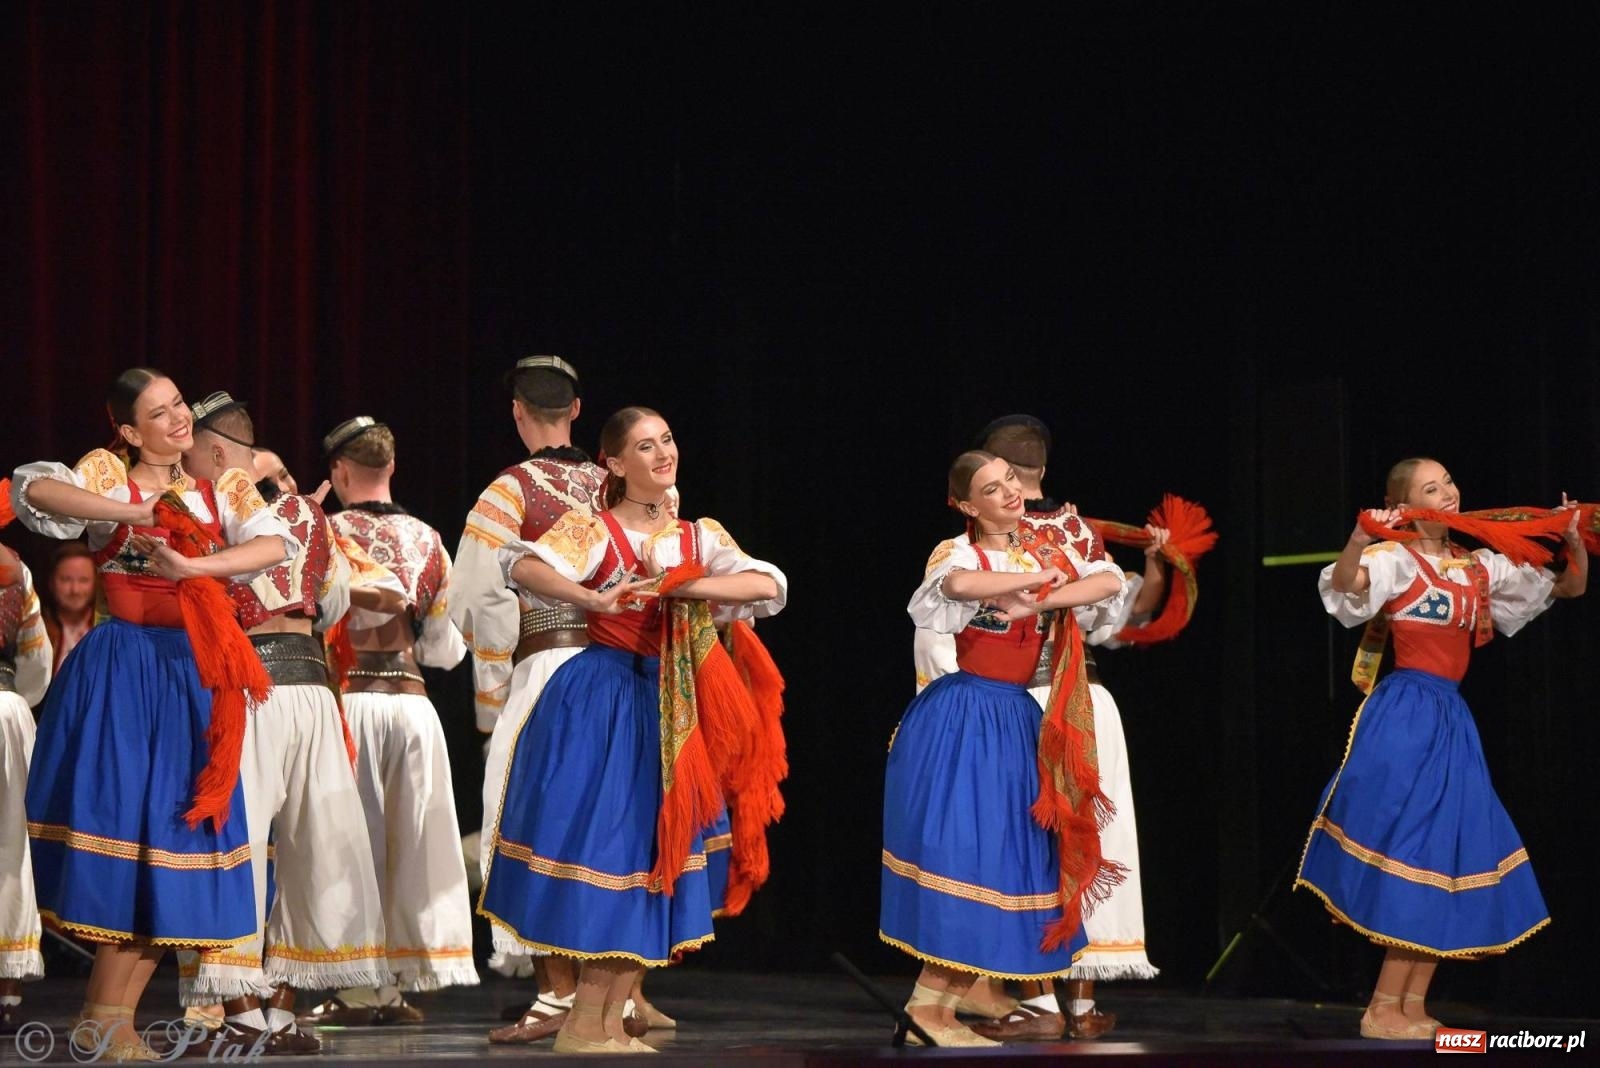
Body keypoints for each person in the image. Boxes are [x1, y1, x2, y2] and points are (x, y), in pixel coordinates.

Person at [479, 406, 786, 1054]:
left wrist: (685, 586)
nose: (662, 453)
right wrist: (590, 598)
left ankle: (609, 1020)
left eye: (668, 440)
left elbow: (768, 583)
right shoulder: (596, 531)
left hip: (669, 706)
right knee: (615, 855)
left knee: (655, 860)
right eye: (645, 446)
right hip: (604, 700)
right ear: (614, 464)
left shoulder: (696, 536)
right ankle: (586, 1021)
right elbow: (520, 565)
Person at [10, 367, 294, 1060]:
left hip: (192, 677)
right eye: (159, 414)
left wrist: (195, 570)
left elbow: (273, 544)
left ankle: (106, 1019)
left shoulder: (218, 485)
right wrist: (135, 513)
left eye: (179, 407)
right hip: (124, 672)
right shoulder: (110, 472)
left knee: (173, 843)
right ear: (130, 431)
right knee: (124, 835)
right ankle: (105, 1019)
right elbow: (33, 489)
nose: (177, 421)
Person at [1298, 458, 1587, 1039]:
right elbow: (1347, 588)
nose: (1449, 492)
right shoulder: (1396, 560)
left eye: (1450, 481)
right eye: (1432, 488)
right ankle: (1381, 1007)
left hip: (1451, 720)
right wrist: (1360, 538)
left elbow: (1567, 586)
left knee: (1453, 854)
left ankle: (1410, 1004)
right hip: (1405, 717)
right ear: (1405, 505)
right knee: (1421, 850)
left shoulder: (1479, 567)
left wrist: (1573, 541)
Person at [175, 392, 397, 1053]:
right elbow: (332, 607)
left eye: (191, 451)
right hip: (307, 686)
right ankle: (269, 1006)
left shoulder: (199, 509)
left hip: (249, 687)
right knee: (317, 846)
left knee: (248, 846)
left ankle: (251, 1007)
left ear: (217, 452)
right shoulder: (307, 513)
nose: (182, 460)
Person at [882, 450, 1123, 1047]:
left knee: (1007, 866)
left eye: (1010, 480)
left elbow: (1110, 579)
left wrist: (1041, 597)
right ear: (968, 505)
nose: (1010, 492)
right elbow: (956, 587)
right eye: (992, 488)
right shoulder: (961, 552)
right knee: (969, 861)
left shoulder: (1044, 548)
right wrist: (1033, 581)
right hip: (966, 718)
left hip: (1016, 720)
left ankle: (931, 1011)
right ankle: (928, 1012)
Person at [299, 416, 479, 1025]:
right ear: (391, 468)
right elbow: (446, 650)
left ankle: (355, 985)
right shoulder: (428, 538)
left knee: (349, 845)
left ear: (340, 472)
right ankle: (393, 987)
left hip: (350, 700)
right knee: (413, 845)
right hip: (413, 705)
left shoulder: (324, 531)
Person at [449, 356, 606, 1043]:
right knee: (606, 822)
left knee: (525, 814)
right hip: (619, 669)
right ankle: (612, 995)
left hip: (546, 666)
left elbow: (478, 597)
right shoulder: (619, 483)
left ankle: (555, 995)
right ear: (577, 409)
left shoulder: (509, 491)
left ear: (517, 413)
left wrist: (492, 698)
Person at [0, 546, 52, 1033]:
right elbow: (37, 660)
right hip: (7, 710)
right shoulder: (14, 565)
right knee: (11, 851)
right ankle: (7, 990)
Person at [40, 541, 103, 673]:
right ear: (51, 581)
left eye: (83, 580)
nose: (75, 590)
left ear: (96, 583)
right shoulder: (38, 627)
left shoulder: (105, 629)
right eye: (66, 579)